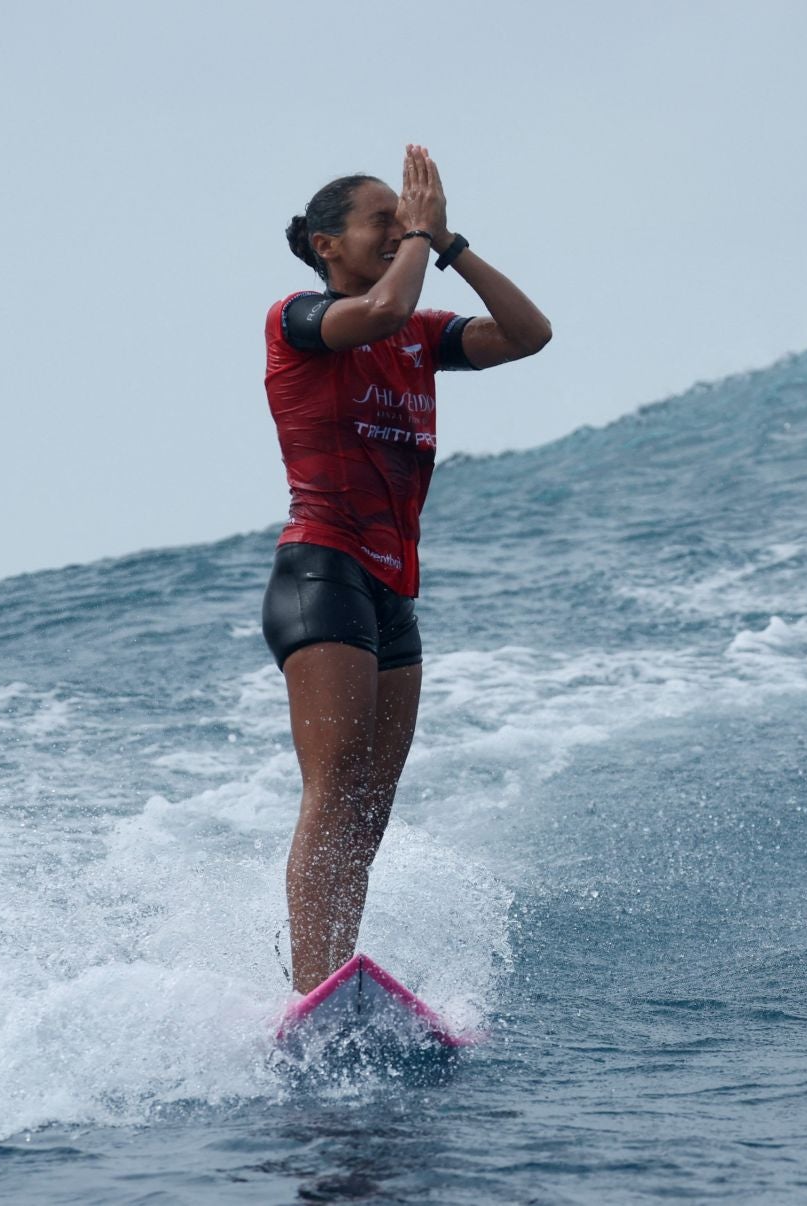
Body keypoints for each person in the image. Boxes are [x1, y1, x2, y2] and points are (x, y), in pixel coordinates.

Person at [262, 144, 552, 993]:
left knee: (370, 806)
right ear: (327, 244)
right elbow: (382, 312)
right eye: (380, 222)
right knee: (334, 785)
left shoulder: (421, 337)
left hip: (392, 594)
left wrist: (450, 245)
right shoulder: (299, 319)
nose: (397, 232)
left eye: (404, 218)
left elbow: (530, 335)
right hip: (323, 576)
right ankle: (310, 985)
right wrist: (420, 240)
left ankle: (333, 971)